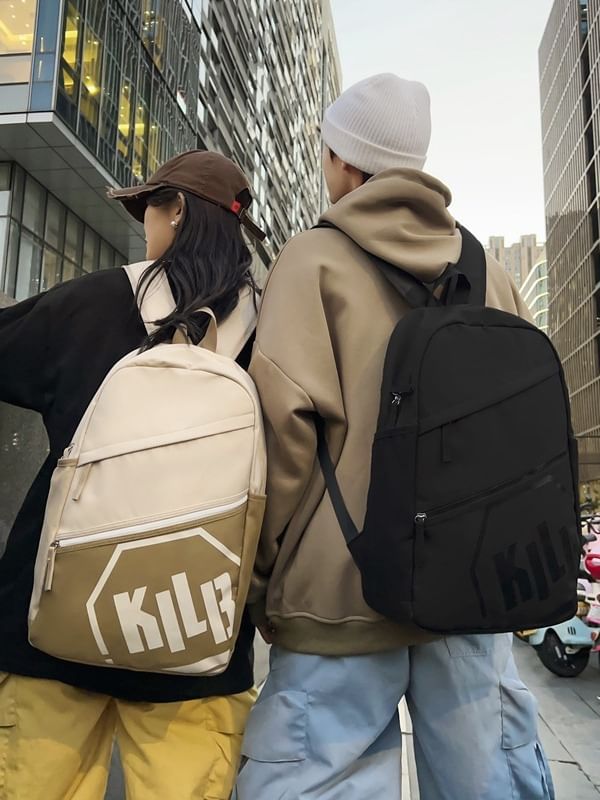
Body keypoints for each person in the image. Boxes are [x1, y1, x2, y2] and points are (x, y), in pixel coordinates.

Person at [234, 74, 555, 800]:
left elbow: (283, 441)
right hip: (469, 594)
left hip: (338, 596)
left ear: (345, 161)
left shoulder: (311, 261)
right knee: (488, 783)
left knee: (318, 780)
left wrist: (261, 582)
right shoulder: (490, 273)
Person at [0, 150, 264, 800]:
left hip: (54, 621)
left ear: (175, 212)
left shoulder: (94, 302)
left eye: (148, 207)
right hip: (195, 631)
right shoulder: (273, 330)